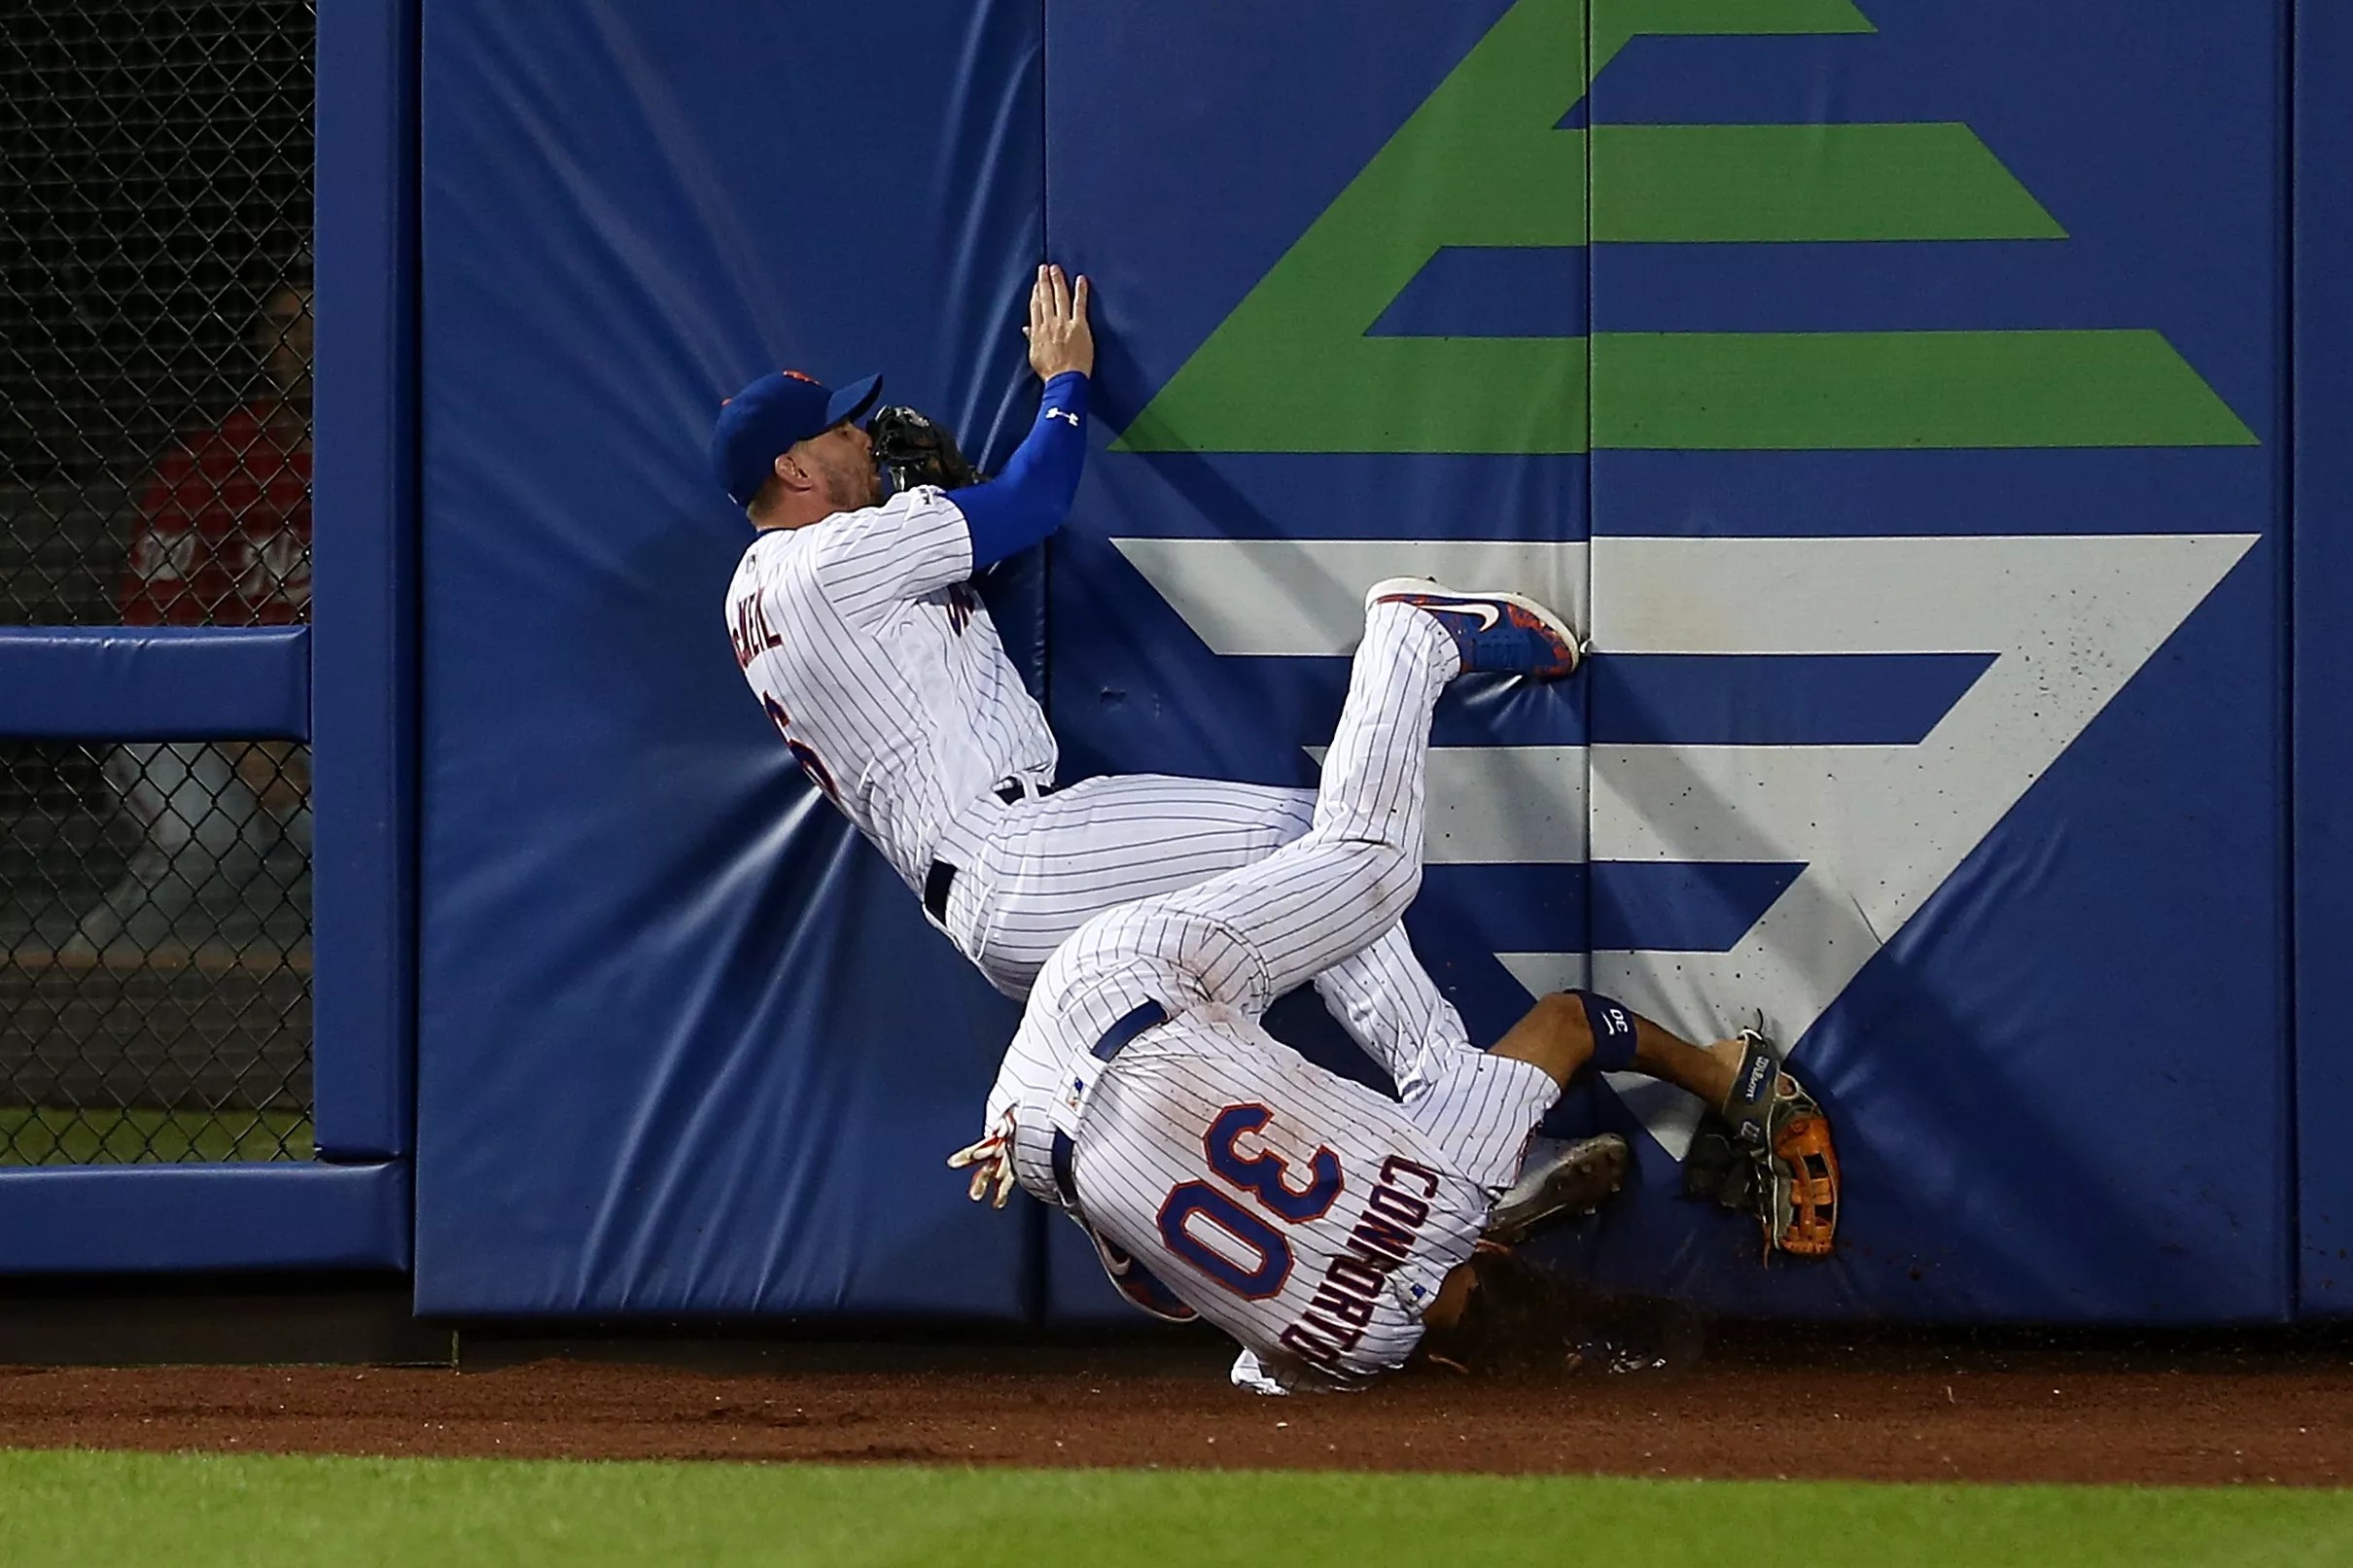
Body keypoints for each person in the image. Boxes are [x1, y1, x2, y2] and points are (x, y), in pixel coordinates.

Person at [715, 263, 1626, 1240]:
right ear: (795, 471)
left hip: (996, 908)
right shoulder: (834, 556)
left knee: (1223, 1005)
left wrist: (942, 500)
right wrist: (1065, 382)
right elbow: (1033, 502)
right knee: (1311, 844)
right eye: (838, 429)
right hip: (1021, 849)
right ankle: (1447, 1093)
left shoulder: (752, 598)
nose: (862, 435)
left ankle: (1299, 1204)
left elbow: (950, 595)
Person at [951, 580, 1841, 1392]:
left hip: (1130, 989)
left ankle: (1411, 641)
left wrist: (1712, 1074)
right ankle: (1409, 634)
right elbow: (1261, 1376)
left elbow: (1574, 1022)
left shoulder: (1450, 1193)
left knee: (1368, 865)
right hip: (1025, 1132)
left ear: (1495, 1250)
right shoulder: (1337, 1359)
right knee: (1179, 1283)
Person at [70, 272, 313, 955]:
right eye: (285, 325)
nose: (303, 342)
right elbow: (159, 629)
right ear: (265, 344)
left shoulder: (406, 459)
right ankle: (74, 978)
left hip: (332, 721)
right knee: (206, 839)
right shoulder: (211, 461)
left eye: (318, 321)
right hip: (184, 714)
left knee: (347, 842)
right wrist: (246, 739)